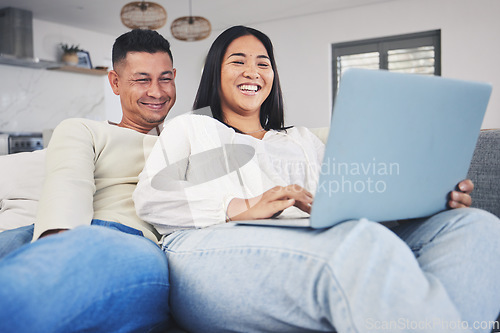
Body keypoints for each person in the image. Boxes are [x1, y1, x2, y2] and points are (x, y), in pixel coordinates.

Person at [134, 25, 500, 332]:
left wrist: (425, 200)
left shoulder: (301, 140)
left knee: (475, 227)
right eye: (238, 61)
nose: (253, 71)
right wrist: (240, 206)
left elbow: (347, 204)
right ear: (215, 72)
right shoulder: (193, 127)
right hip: (208, 246)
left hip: (315, 236)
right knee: (359, 244)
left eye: (263, 63)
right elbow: (151, 197)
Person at [0, 29, 176, 332]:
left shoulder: (184, 140)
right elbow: (68, 182)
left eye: (165, 78)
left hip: (128, 240)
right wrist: (58, 253)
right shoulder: (84, 129)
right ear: (115, 82)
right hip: (58, 234)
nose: (157, 91)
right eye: (142, 79)